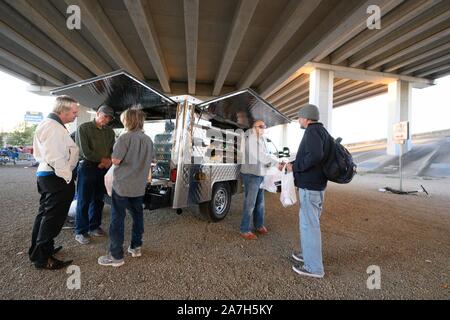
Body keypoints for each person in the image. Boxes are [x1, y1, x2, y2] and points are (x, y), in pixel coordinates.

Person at [98, 107, 154, 267]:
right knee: (138, 216)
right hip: (139, 186)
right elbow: (152, 160)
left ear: (127, 121)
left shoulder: (124, 138)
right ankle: (136, 247)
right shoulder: (148, 139)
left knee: (117, 219)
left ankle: (116, 256)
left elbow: (115, 160)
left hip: (122, 185)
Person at [29, 96, 79, 270]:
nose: (76, 114)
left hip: (48, 175)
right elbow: (55, 157)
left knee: (44, 215)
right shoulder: (53, 127)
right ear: (63, 111)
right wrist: (67, 177)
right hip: (55, 177)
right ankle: (43, 258)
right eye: (74, 112)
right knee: (52, 218)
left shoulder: (50, 125)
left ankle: (38, 250)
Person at [286, 104, 332, 278]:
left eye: (299, 117)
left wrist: (295, 166)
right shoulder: (322, 132)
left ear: (306, 118)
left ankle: (314, 267)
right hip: (317, 185)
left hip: (310, 186)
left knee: (309, 225)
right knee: (310, 223)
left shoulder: (312, 131)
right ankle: (308, 255)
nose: (298, 120)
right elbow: (316, 155)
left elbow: (315, 156)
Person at [74, 105, 115, 244]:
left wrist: (108, 161)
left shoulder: (110, 132)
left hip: (102, 168)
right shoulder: (83, 128)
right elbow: (85, 151)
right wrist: (103, 160)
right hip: (87, 167)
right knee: (84, 200)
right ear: (97, 113)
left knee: (98, 199)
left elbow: (112, 149)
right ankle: (81, 231)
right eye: (105, 116)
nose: (107, 119)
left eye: (109, 118)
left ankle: (94, 226)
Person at [240, 120, 281, 240]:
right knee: (250, 203)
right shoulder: (251, 140)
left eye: (265, 126)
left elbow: (266, 155)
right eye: (261, 126)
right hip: (251, 174)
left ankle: (258, 225)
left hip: (259, 174)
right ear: (254, 127)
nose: (264, 128)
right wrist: (275, 163)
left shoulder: (261, 139)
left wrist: (272, 163)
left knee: (260, 202)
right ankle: (244, 229)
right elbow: (261, 156)